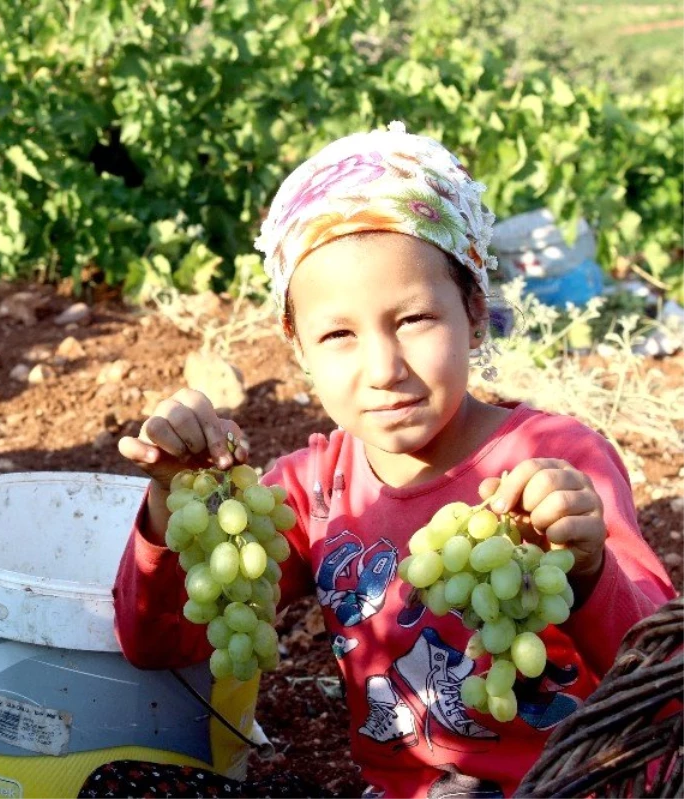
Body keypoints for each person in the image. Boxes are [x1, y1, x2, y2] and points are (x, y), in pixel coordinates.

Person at [99, 123, 675, 798]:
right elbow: (161, 648)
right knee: (121, 785)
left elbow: (664, 682)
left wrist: (588, 570)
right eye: (338, 334)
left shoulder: (555, 467)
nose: (383, 369)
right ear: (299, 348)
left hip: (573, 788)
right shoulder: (309, 490)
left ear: (476, 311)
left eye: (413, 321)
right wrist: (174, 505)